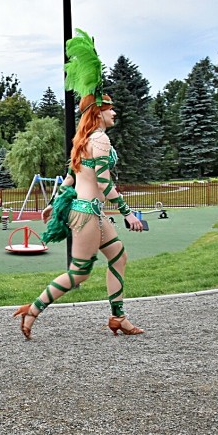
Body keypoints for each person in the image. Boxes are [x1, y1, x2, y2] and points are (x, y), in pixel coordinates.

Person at [13, 29, 146, 340]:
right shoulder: (99, 141)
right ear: (98, 112)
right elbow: (103, 182)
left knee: (119, 257)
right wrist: (128, 213)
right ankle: (32, 310)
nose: (115, 112)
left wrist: (52, 202)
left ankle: (118, 317)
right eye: (110, 108)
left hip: (91, 212)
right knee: (78, 274)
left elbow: (72, 177)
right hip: (87, 213)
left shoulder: (87, 141)